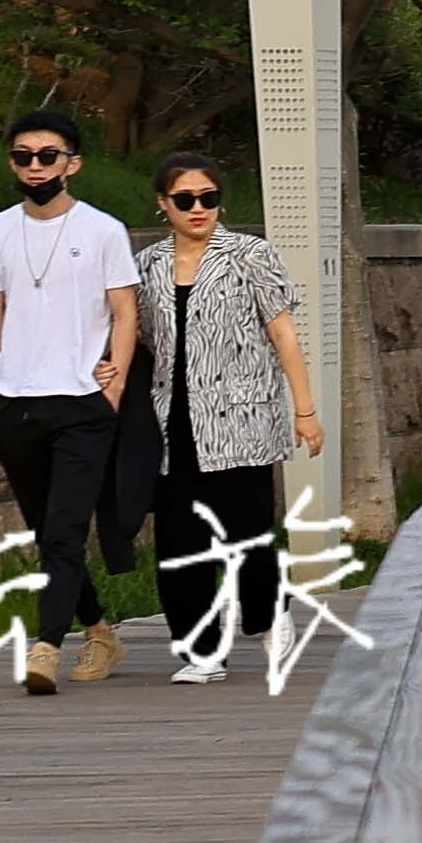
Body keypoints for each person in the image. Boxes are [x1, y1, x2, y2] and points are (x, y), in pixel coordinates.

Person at [0, 110, 145, 691]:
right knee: (48, 530)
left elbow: (124, 311)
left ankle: (45, 647)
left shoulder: (103, 231)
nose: (34, 166)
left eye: (47, 156)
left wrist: (112, 387)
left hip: (83, 402)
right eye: (23, 155)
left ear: (74, 164)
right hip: (13, 401)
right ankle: (99, 631)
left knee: (65, 528)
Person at [137, 154, 321, 679]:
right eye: (185, 200)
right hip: (172, 422)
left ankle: (269, 617)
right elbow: (141, 336)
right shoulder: (147, 265)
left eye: (209, 198)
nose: (198, 209)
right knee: (179, 540)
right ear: (163, 204)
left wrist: (304, 409)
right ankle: (200, 652)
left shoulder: (249, 256)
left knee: (247, 533)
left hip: (241, 418)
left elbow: (283, 334)